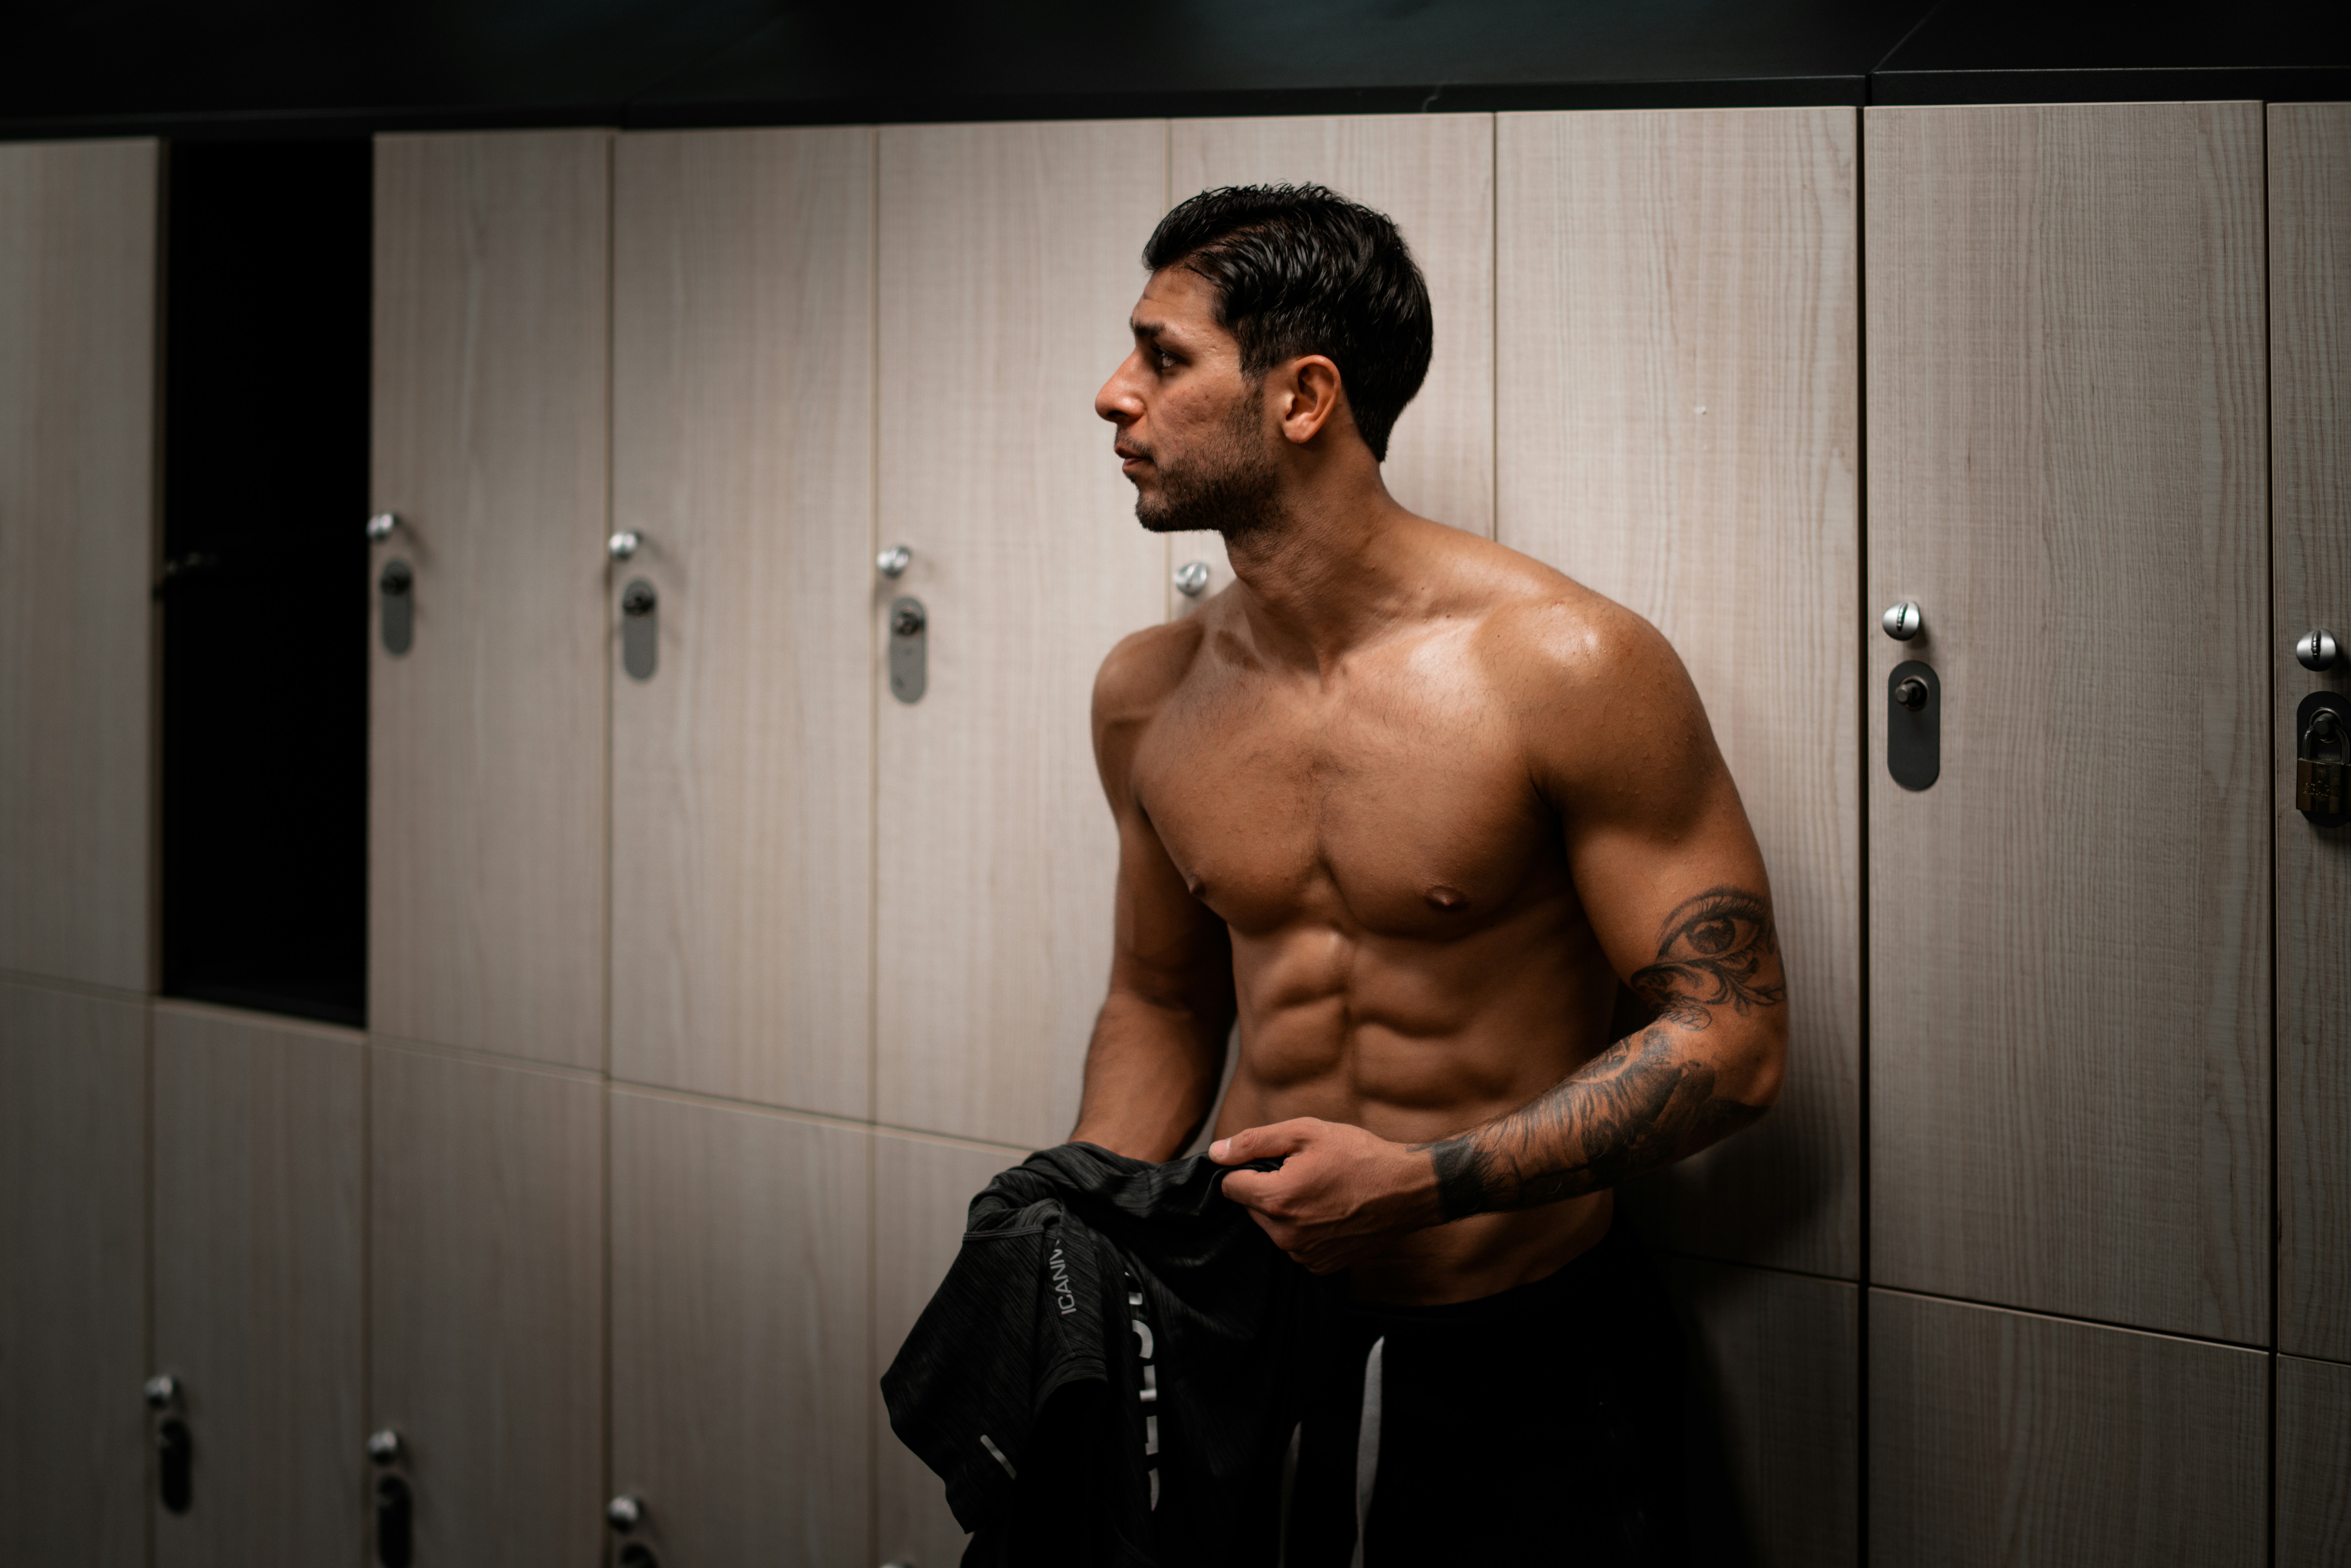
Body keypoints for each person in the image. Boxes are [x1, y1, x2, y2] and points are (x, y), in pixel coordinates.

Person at [1072, 184, 1789, 1564]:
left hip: (1522, 1340)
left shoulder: (1563, 667)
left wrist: (1418, 1183)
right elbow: (1161, 1002)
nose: (1114, 393)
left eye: (1163, 356)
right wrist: (1083, 1221)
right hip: (1252, 1330)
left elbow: (1733, 1040)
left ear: (1303, 397)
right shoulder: (1146, 695)